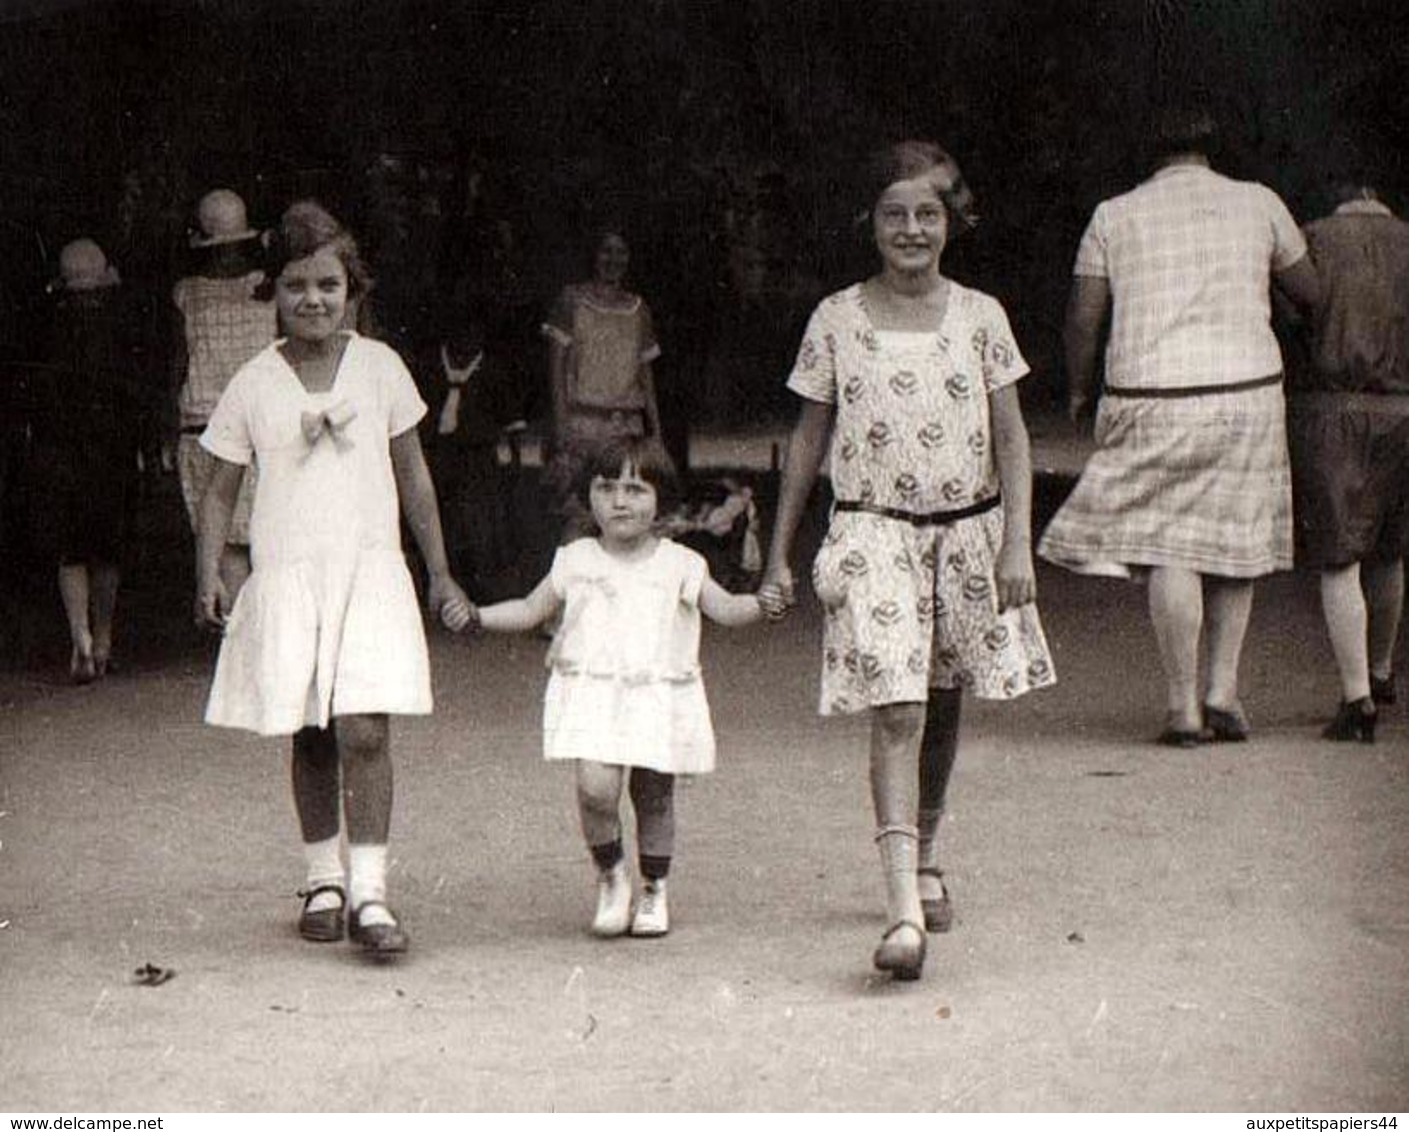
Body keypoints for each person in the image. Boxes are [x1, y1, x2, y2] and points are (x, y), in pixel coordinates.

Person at [761, 141, 1055, 982]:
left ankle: (924, 850)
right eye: (894, 214)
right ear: (871, 223)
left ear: (951, 223)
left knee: (940, 698)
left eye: (927, 214)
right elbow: (808, 438)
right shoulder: (835, 318)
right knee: (895, 707)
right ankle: (899, 912)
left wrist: (1013, 542)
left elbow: (1011, 437)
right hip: (873, 533)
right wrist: (779, 555)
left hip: (964, 534)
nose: (911, 230)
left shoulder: (981, 316)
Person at [194, 201, 472, 957]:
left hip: (369, 573)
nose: (313, 300)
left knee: (365, 728)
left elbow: (414, 477)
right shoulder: (254, 382)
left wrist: (438, 571)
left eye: (327, 284)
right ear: (272, 294)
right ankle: (323, 876)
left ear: (351, 290)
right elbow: (219, 486)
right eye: (295, 285)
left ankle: (372, 892)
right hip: (291, 576)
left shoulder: (380, 368)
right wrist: (213, 568)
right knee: (312, 730)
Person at [1038, 105, 1320, 746]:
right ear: (1212, 148)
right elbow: (1310, 291)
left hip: (1150, 394)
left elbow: (1084, 317)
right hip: (1244, 392)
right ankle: (1222, 689)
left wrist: (1081, 388)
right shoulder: (1259, 202)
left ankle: (1181, 707)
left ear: (1148, 154)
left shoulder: (1113, 214)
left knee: (1171, 548)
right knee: (1234, 544)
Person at [465, 437, 774, 938]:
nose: (620, 501)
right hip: (594, 693)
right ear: (589, 496)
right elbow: (529, 608)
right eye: (607, 488)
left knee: (653, 795)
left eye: (636, 489)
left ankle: (654, 887)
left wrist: (766, 603)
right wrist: (478, 617)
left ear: (662, 501)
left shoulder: (679, 563)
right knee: (596, 789)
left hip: (657, 694)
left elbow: (727, 608)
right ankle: (611, 875)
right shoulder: (576, 558)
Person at [1288, 181, 1409, 742]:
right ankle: (1382, 672)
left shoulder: (1312, 238)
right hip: (1404, 409)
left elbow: (1291, 317)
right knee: (1389, 549)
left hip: (1331, 409)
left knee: (1339, 557)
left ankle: (1356, 697)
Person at [31, 238, 151, 681]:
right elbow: (137, 393)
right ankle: (103, 638)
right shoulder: (124, 327)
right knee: (107, 551)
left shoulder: (45, 329)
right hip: (112, 450)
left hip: (58, 449)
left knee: (70, 550)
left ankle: (77, 633)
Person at [171, 189, 278, 599]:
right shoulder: (267, 289)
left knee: (227, 539)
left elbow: (178, 365)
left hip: (203, 426)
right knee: (267, 530)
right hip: (261, 423)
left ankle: (240, 626)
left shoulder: (186, 294)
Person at [542, 226, 666, 539]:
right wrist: (561, 430)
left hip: (627, 428)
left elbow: (645, 374)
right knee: (579, 517)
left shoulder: (639, 308)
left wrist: (656, 434)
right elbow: (556, 370)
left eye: (621, 252)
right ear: (593, 256)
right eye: (606, 251)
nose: (613, 260)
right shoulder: (572, 301)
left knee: (624, 519)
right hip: (583, 425)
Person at [416, 292, 525, 600]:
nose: (466, 338)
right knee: (438, 517)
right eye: (459, 330)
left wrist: (511, 464)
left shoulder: (492, 371)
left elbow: (512, 425)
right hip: (436, 454)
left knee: (476, 522)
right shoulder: (429, 366)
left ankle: (476, 586)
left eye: (474, 331)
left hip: (477, 459)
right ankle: (436, 581)